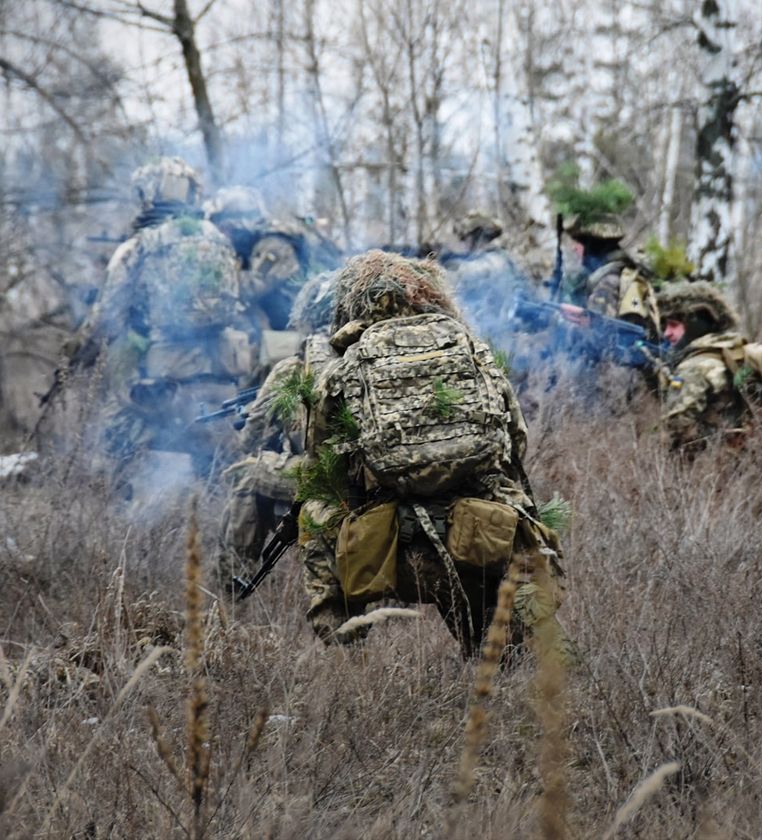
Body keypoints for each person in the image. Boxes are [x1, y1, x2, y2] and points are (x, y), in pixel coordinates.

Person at [296, 251, 561, 649]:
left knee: (313, 513)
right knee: (521, 509)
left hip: (383, 540)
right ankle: (509, 641)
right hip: (480, 530)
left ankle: (341, 637)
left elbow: (319, 460)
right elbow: (516, 440)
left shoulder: (346, 364)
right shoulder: (470, 347)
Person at [78, 158, 252, 493]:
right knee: (222, 479)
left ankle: (126, 518)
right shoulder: (218, 240)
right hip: (223, 378)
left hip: (165, 383)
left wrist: (78, 350)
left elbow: (106, 317)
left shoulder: (139, 246)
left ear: (150, 193)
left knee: (116, 437)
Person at [217, 270, 337, 581]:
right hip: (380, 479)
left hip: (327, 479)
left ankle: (231, 584)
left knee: (246, 473)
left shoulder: (295, 367)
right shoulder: (375, 358)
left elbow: (250, 438)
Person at [655, 281, 762, 454]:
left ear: (694, 323)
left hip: (723, 466)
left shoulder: (695, 367)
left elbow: (676, 427)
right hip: (759, 454)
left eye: (673, 325)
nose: (667, 333)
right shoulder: (731, 351)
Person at [205, 185, 311, 333]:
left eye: (224, 227)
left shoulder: (274, 244)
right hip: (272, 331)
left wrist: (211, 282)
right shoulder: (249, 247)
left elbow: (252, 286)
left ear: (240, 221)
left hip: (290, 334)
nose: (222, 234)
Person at [439, 211, 527, 331]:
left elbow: (454, 275)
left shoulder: (488, 264)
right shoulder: (503, 260)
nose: (464, 242)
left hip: (488, 336)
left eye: (465, 238)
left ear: (474, 237)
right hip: (500, 335)